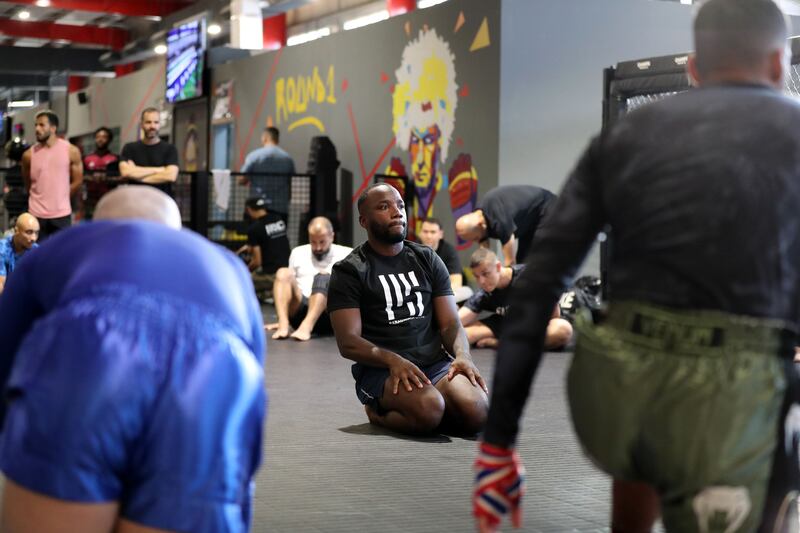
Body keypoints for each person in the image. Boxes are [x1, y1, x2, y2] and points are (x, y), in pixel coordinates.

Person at [473, 1, 800, 532]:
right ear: (779, 63)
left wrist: (497, 446)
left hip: (613, 394)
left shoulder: (627, 134)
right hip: (733, 390)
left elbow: (537, 286)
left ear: (693, 68)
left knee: (643, 397)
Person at [0, 186, 265, 533]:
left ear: (97, 224)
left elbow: (7, 350)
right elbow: (253, 378)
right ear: (177, 228)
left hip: (94, 343)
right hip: (218, 365)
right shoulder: (228, 265)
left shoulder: (60, 248)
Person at [327, 183, 488, 436]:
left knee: (478, 411)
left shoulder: (427, 258)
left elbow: (450, 324)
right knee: (429, 410)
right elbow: (348, 342)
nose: (397, 212)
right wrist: (393, 360)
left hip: (433, 363)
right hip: (382, 371)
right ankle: (376, 411)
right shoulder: (349, 271)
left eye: (400, 206)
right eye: (384, 207)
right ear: (364, 221)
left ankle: (434, 409)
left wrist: (462, 355)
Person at [458, 248, 571, 350]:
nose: (481, 281)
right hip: (505, 324)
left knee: (562, 329)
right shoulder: (484, 294)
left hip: (534, 324)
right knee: (459, 336)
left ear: (498, 267)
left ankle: (501, 344)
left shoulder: (528, 276)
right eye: (476, 276)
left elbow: (554, 314)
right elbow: (455, 321)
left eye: (485, 274)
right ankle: (514, 343)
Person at [267, 216, 351, 341]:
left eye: (322, 242)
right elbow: (287, 288)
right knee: (283, 272)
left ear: (332, 236)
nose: (317, 247)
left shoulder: (347, 254)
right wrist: (283, 318)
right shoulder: (298, 252)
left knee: (323, 276)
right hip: (299, 311)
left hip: (328, 314)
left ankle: (307, 326)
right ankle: (283, 325)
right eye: (313, 242)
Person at [455, 185, 555, 266]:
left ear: (480, 225)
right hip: (529, 223)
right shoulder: (479, 215)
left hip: (547, 209)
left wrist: (506, 279)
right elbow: (484, 248)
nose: (476, 241)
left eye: (476, 238)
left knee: (534, 260)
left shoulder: (497, 216)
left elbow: (510, 261)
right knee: (523, 262)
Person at [20, 110, 83, 239]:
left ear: (53, 128)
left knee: (62, 255)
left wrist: (63, 196)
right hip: (36, 214)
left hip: (61, 215)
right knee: (37, 255)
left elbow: (78, 181)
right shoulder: (28, 155)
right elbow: (27, 182)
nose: (37, 129)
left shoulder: (71, 151)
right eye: (36, 125)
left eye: (42, 125)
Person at [237, 196, 291, 301]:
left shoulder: (254, 229)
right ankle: (269, 292)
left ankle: (268, 291)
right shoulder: (278, 219)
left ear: (248, 209)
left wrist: (244, 271)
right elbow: (271, 240)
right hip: (287, 271)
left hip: (271, 275)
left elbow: (257, 262)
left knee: (239, 280)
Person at [119, 107, 179, 196]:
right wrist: (158, 170)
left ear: (160, 125)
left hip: (161, 201)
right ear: (142, 124)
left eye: (156, 122)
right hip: (135, 200)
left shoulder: (170, 149)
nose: (152, 126)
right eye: (148, 122)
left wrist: (136, 173)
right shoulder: (129, 148)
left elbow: (170, 176)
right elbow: (126, 173)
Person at [238, 127, 295, 216]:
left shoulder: (254, 156)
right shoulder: (287, 159)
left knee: (256, 230)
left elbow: (241, 179)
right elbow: (292, 182)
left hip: (257, 208)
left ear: (265, 138)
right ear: (277, 139)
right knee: (278, 230)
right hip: (280, 209)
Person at [418, 217, 473, 302]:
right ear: (420, 233)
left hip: (442, 293)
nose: (428, 236)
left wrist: (437, 295)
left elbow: (456, 282)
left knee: (467, 291)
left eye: (433, 232)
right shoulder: (412, 250)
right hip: (421, 293)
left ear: (440, 234)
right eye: (425, 232)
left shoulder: (449, 251)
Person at [83, 126, 120, 218]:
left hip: (110, 199)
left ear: (109, 139)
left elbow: (121, 178)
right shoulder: (87, 158)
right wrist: (91, 178)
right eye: (98, 137)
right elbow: (81, 176)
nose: (100, 139)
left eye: (104, 137)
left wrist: (105, 178)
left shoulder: (115, 159)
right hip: (91, 200)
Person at [0, 212, 39, 294]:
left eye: (36, 233)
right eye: (29, 232)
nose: (33, 238)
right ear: (16, 231)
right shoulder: (2, 249)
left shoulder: (37, 251)